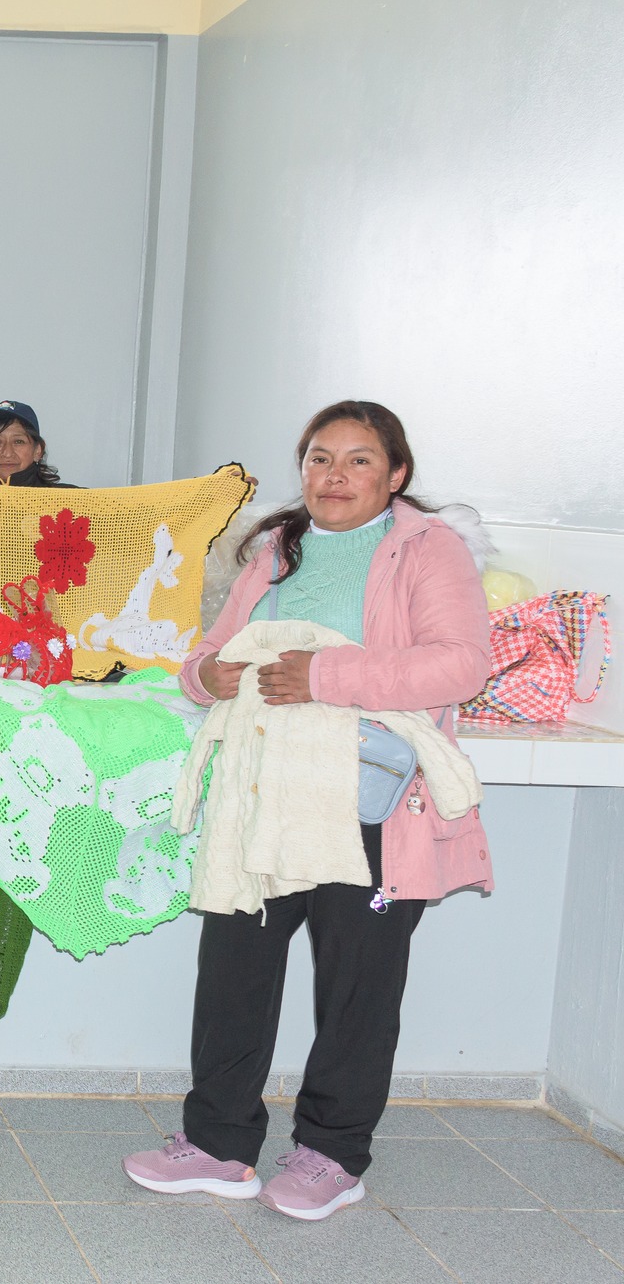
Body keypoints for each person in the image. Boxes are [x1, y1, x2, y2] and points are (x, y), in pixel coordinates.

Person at [123, 400, 491, 1222]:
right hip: (262, 789)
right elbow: (209, 650)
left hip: (369, 797)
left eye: (360, 460)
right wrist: (205, 676)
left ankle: (332, 1153)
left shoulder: (430, 551)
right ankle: (218, 1143)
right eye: (320, 458)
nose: (335, 475)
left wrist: (325, 678)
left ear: (397, 475)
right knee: (234, 970)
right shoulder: (276, 548)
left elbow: (461, 662)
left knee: (358, 983)